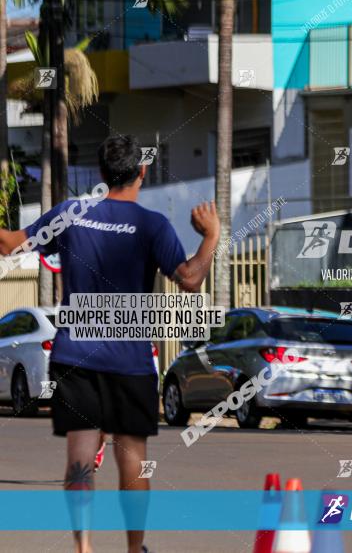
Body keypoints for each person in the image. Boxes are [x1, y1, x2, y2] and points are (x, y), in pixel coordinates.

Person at [0, 135, 219, 553]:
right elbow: (190, 280)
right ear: (142, 171)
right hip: (130, 359)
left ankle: (83, 548)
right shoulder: (152, 225)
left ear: (101, 174)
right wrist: (210, 236)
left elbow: (10, 244)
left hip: (75, 354)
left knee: (81, 457)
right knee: (131, 456)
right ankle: (134, 549)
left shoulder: (71, 214)